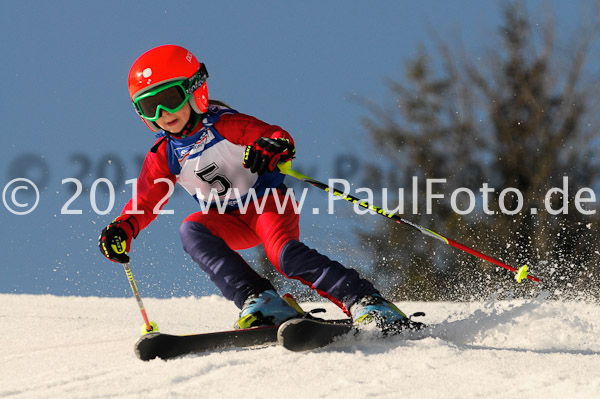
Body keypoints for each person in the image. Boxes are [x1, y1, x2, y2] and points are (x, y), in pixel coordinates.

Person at [98, 44, 412, 331]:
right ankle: (261, 299)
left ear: (195, 91)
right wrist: (123, 228)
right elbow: (145, 201)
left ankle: (366, 301)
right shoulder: (164, 155)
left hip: (266, 204)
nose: (162, 115)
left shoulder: (225, 125)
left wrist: (271, 148)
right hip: (228, 219)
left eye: (168, 100)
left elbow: (277, 136)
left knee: (283, 256)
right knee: (191, 229)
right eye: (149, 106)